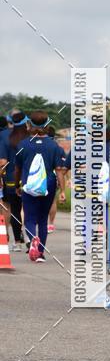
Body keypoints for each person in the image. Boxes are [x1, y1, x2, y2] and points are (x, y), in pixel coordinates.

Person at [14, 111, 66, 262]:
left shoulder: (23, 145)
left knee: (29, 218)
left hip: (29, 184)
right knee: (43, 219)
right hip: (48, 184)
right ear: (47, 125)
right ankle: (40, 253)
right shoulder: (54, 146)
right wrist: (62, 190)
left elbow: (17, 168)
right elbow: (59, 170)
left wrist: (17, 184)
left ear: (29, 124)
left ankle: (33, 240)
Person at [0, 111, 29, 252]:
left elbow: (2, 162)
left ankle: (14, 241)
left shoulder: (4, 136)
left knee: (11, 208)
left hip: (11, 178)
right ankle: (30, 238)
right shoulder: (31, 136)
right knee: (29, 210)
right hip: (30, 179)